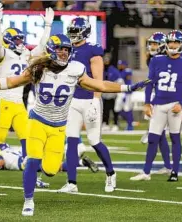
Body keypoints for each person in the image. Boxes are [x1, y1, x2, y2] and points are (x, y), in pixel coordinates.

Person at [0, 33, 150, 216]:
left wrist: (128, 87)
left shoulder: (75, 68)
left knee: (51, 170)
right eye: (60, 50)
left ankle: (51, 167)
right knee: (33, 160)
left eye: (67, 50)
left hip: (59, 127)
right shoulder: (39, 68)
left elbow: (99, 85)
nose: (64, 54)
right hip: (37, 122)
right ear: (51, 50)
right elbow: (11, 81)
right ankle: (28, 201)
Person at [0, 3, 54, 186]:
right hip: (5, 102)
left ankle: (32, 176)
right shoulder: (3, 53)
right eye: (16, 40)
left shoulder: (25, 54)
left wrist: (48, 26)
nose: (20, 43)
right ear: (9, 41)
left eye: (21, 40)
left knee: (27, 140)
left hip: (19, 103)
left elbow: (41, 46)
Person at [58, 17, 116, 194]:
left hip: (90, 99)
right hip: (73, 100)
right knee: (72, 141)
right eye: (72, 31)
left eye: (76, 31)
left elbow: (98, 80)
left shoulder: (93, 50)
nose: (73, 35)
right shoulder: (67, 49)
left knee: (94, 141)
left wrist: (95, 101)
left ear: (84, 32)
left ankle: (110, 174)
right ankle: (72, 183)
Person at [130, 30, 182, 182]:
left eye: (176, 42)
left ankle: (174, 172)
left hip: (175, 104)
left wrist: (181, 104)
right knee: (153, 138)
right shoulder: (157, 60)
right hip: (159, 103)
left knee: (175, 138)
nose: (173, 45)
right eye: (171, 42)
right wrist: (147, 103)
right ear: (166, 44)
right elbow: (150, 83)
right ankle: (146, 172)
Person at [139, 32, 172, 175]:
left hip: (166, 98)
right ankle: (168, 166)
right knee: (161, 135)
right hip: (160, 96)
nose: (152, 46)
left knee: (159, 134)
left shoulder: (166, 59)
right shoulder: (152, 59)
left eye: (155, 44)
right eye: (151, 43)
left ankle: (148, 171)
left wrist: (150, 101)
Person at [102, 53, 122, 131]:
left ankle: (115, 123)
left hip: (113, 93)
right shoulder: (101, 69)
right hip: (104, 93)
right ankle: (105, 123)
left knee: (115, 110)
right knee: (105, 110)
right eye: (105, 59)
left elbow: (119, 81)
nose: (106, 61)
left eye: (107, 59)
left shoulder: (113, 70)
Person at [116, 60, 134, 130]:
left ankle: (130, 125)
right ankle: (127, 122)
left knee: (127, 109)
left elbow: (128, 82)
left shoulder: (127, 71)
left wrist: (127, 93)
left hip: (126, 93)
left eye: (121, 64)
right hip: (120, 93)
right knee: (118, 109)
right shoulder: (118, 72)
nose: (119, 66)